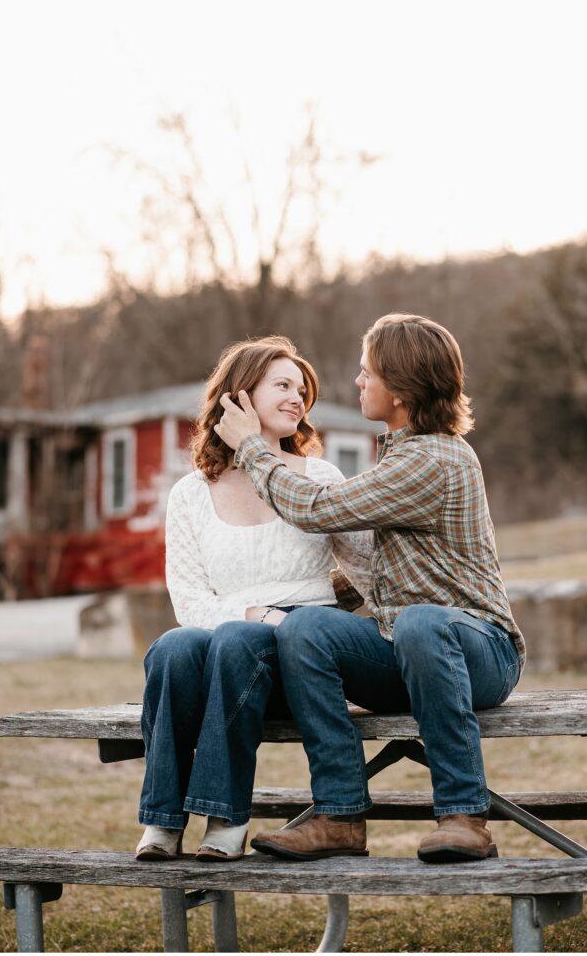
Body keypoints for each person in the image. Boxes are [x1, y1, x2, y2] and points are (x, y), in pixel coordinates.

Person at [215, 313, 525, 864]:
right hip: (408, 649)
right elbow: (381, 576)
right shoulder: (401, 455)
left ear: (401, 389)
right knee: (308, 628)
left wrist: (251, 448)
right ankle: (338, 816)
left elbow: (318, 508)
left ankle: (463, 816)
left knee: (423, 620)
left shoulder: (436, 458)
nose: (357, 383)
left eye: (367, 373)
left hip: (482, 652)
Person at [136, 337, 372, 861]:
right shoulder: (191, 494)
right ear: (239, 397)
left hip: (302, 653)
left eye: (302, 390)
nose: (298, 400)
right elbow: (190, 600)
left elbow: (370, 567)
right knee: (173, 647)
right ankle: (162, 821)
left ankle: (225, 817)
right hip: (225, 641)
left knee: (239, 640)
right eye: (283, 386)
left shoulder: (319, 476)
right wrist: (250, 614)